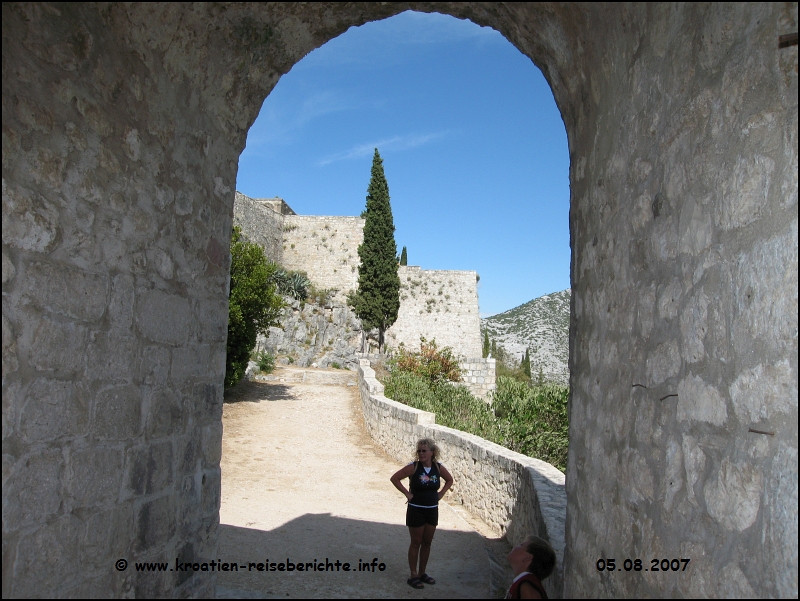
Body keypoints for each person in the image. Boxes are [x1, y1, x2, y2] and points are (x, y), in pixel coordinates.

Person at [390, 438, 454, 590]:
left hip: (432, 509)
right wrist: (407, 493)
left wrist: (441, 494)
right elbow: (395, 478)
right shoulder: (414, 467)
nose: (421, 453)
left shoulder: (438, 468)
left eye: (424, 451)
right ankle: (413, 575)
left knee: (427, 542)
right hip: (416, 509)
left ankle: (422, 573)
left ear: (432, 452)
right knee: (416, 542)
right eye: (419, 451)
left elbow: (449, 480)